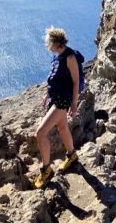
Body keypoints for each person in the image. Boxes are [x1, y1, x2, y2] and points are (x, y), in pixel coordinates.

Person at [33, 26, 80, 188]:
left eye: (48, 42)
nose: (47, 45)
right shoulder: (57, 56)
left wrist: (74, 103)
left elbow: (75, 82)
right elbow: (56, 78)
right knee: (62, 128)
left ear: (55, 43)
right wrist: (47, 94)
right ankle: (72, 155)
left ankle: (46, 169)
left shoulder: (70, 57)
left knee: (40, 134)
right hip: (55, 98)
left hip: (63, 100)